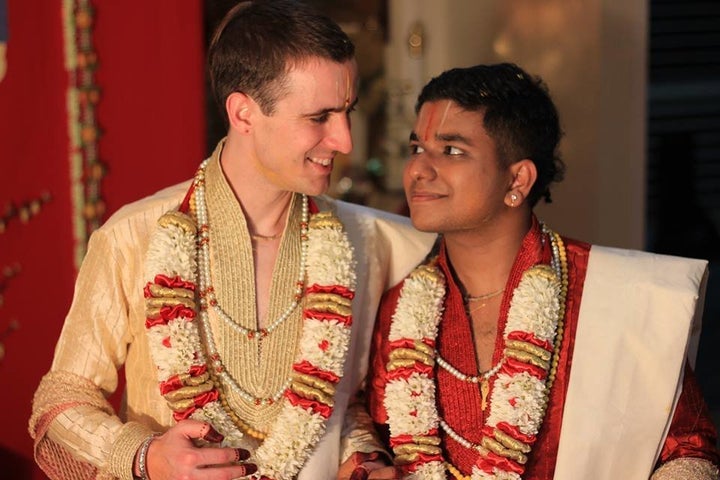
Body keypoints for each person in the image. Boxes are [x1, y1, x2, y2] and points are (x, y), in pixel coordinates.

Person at [28, 1, 436, 479]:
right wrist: (147, 456)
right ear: (244, 113)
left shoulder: (369, 242)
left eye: (347, 112)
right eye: (319, 116)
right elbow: (61, 399)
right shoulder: (133, 237)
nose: (344, 140)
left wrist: (364, 459)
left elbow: (347, 403)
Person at [367, 63, 720, 479]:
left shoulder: (610, 294)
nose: (418, 170)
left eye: (452, 151)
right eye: (416, 148)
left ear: (518, 179)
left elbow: (689, 450)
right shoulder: (399, 306)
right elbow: (374, 440)